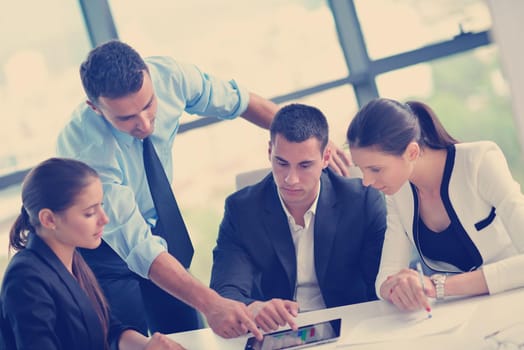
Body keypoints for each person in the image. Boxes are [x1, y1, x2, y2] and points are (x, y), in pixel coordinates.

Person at [56, 40, 352, 337]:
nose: (145, 124)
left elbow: (240, 101)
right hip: (103, 246)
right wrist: (212, 304)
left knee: (183, 333)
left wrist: (309, 141)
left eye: (148, 105)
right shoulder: (88, 150)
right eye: (126, 118)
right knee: (127, 338)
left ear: (149, 76)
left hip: (158, 228)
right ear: (95, 108)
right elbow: (137, 245)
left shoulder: (171, 77)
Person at [210, 103, 387, 332]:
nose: (291, 179)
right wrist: (253, 307)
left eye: (305, 165)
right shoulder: (241, 210)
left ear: (325, 158)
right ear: (269, 153)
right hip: (281, 333)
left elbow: (382, 280)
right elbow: (225, 291)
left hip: (351, 328)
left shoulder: (362, 202)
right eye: (282, 163)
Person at [346, 97, 524, 313]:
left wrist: (436, 286)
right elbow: (385, 277)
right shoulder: (398, 191)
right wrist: (399, 287)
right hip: (460, 311)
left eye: (375, 169)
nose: (366, 181)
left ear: (411, 152)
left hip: (513, 298)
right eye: (361, 169)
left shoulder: (479, 160)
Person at [0, 158, 184, 350]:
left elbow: (107, 328)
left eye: (101, 206)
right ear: (48, 219)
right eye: (89, 213)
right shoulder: (25, 279)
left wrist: (147, 345)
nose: (104, 219)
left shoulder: (72, 258)